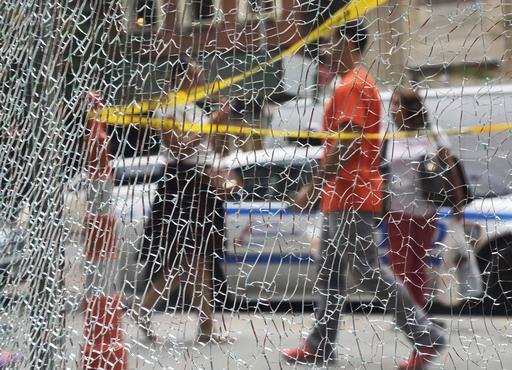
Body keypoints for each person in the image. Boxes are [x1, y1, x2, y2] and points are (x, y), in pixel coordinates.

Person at [281, 21, 446, 369]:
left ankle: (425, 335)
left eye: (330, 42)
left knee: (365, 270)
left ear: (347, 43)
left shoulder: (353, 85)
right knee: (329, 273)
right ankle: (320, 345)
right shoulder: (349, 84)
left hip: (352, 194)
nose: (325, 50)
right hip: (342, 194)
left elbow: (347, 140)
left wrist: (312, 186)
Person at [133, 57, 231, 344]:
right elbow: (179, 145)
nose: (201, 77)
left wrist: (222, 124)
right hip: (180, 184)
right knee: (187, 259)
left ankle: (203, 327)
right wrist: (213, 121)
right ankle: (151, 309)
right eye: (195, 73)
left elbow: (214, 149)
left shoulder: (198, 108)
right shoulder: (168, 106)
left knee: (198, 259)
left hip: (201, 183)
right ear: (180, 77)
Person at [384, 88, 465, 308]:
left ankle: (417, 310)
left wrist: (458, 202)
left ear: (409, 108)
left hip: (426, 210)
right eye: (391, 105)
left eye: (396, 104)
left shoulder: (432, 133)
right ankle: (405, 310)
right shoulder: (388, 137)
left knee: (418, 264)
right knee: (399, 264)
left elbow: (450, 168)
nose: (392, 110)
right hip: (397, 210)